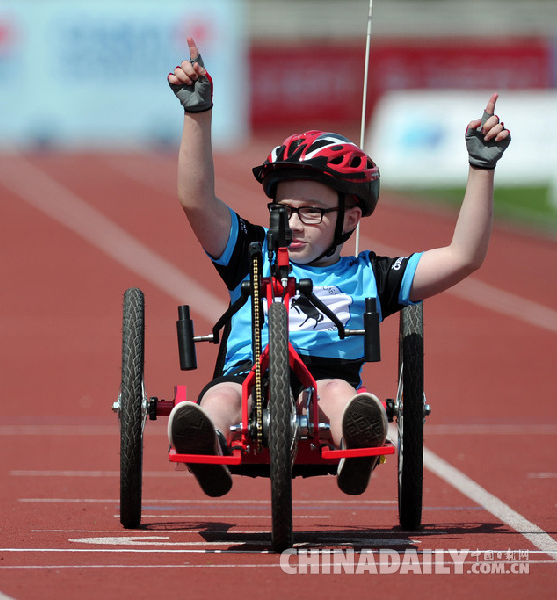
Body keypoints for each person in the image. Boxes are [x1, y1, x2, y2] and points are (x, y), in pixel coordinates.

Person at [165, 37, 510, 497]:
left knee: (339, 396)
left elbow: (464, 256)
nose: (292, 223)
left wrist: (481, 167)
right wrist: (197, 114)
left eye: (312, 211)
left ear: (348, 219)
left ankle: (358, 445)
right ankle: (204, 439)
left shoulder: (370, 277)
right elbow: (196, 200)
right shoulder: (251, 252)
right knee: (221, 398)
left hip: (327, 379)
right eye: (283, 209)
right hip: (248, 374)